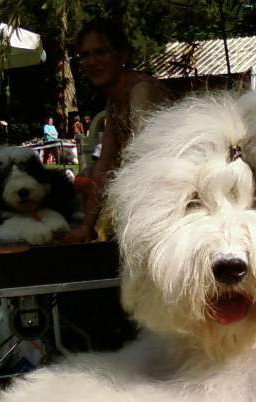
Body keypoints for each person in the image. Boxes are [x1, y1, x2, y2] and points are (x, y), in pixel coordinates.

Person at [64, 17, 174, 243]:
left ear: (121, 55)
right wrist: (86, 226)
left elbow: (145, 161)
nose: (92, 62)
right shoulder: (114, 100)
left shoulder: (141, 90)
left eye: (100, 52)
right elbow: (105, 164)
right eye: (85, 55)